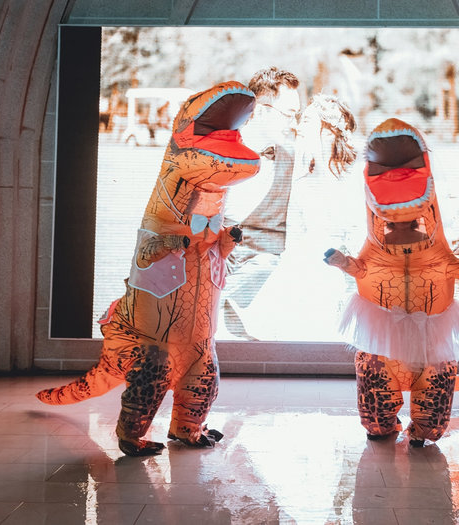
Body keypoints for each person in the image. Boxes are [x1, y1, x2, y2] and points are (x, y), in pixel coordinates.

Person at [36, 81, 260, 455]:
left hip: (198, 335)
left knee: (206, 378)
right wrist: (171, 242)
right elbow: (148, 252)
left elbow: (215, 255)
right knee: (150, 374)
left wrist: (226, 240)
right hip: (150, 334)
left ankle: (188, 428)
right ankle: (130, 434)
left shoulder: (213, 208)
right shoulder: (163, 208)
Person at [324, 118, 459, 447]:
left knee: (434, 391)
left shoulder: (436, 248)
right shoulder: (377, 243)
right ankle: (381, 424)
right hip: (382, 325)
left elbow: (454, 266)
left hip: (433, 327)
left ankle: (424, 428)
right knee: (376, 387)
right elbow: (361, 268)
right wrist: (341, 261)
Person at [234, 93, 360, 341]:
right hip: (302, 262)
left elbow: (351, 227)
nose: (299, 125)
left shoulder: (348, 176)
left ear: (328, 131)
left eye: (308, 120)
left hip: (336, 265)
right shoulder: (304, 172)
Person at [221, 67, 301, 339]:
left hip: (266, 270)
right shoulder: (217, 153)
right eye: (291, 115)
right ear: (263, 110)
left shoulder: (296, 161)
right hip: (214, 260)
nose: (296, 124)